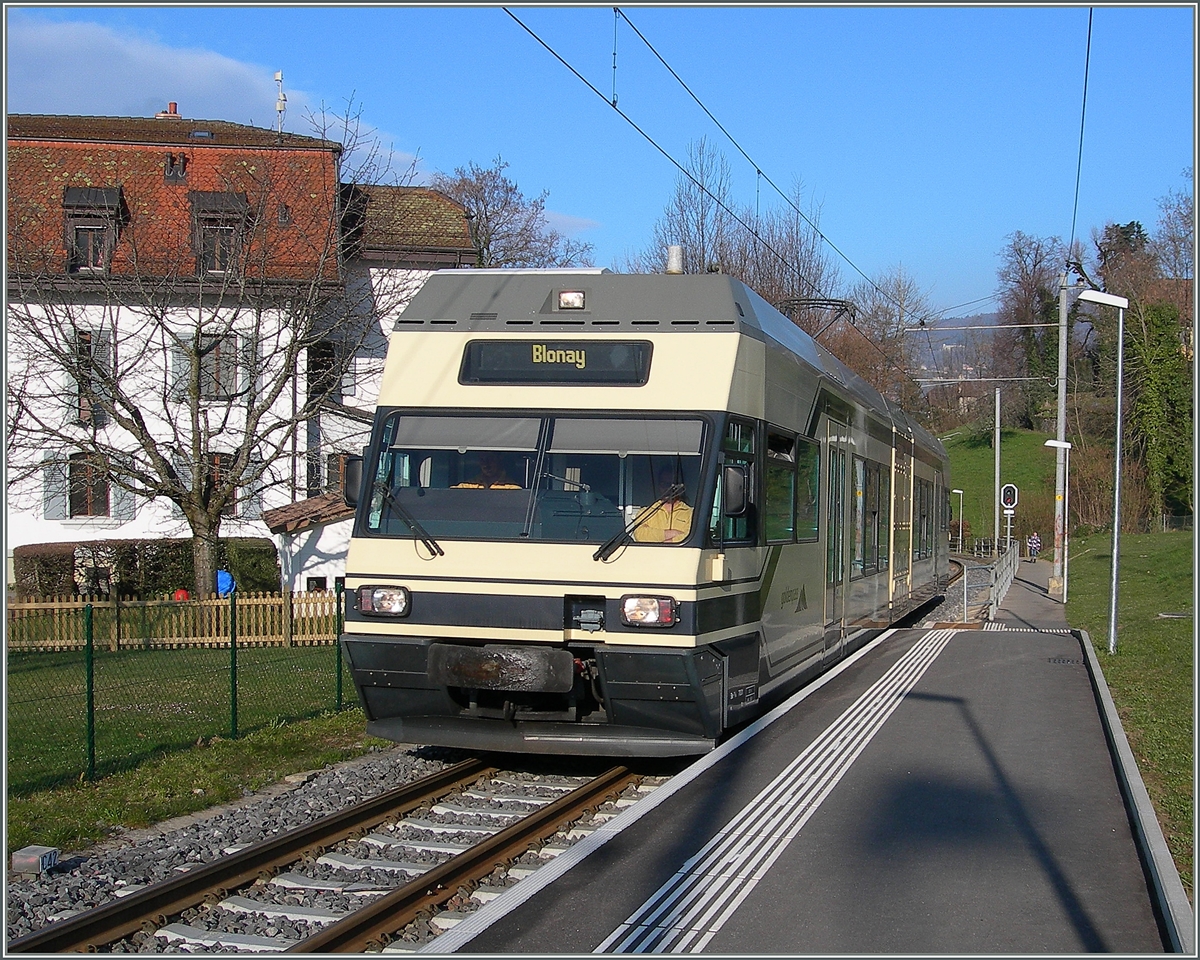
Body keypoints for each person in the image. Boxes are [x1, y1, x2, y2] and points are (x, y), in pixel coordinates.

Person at [633, 465, 693, 543]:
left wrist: (665, 541)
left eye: (670, 485)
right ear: (658, 485)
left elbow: (690, 538)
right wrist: (673, 533)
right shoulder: (646, 512)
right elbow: (640, 535)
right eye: (663, 484)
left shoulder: (690, 513)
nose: (667, 489)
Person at [453, 451, 521, 489]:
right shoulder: (471, 484)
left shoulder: (511, 488)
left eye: (490, 459)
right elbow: (452, 494)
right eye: (482, 460)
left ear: (499, 460)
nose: (486, 464)